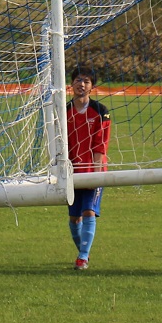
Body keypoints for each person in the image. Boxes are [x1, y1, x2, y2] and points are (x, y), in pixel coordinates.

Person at [65, 65, 111, 270]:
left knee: (89, 212)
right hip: (70, 172)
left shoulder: (100, 112)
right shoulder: (63, 110)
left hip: (93, 170)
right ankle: (84, 252)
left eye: (86, 81)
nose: (81, 84)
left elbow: (101, 145)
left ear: (92, 86)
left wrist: (97, 173)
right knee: (74, 219)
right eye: (78, 80)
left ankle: (82, 257)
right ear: (71, 84)